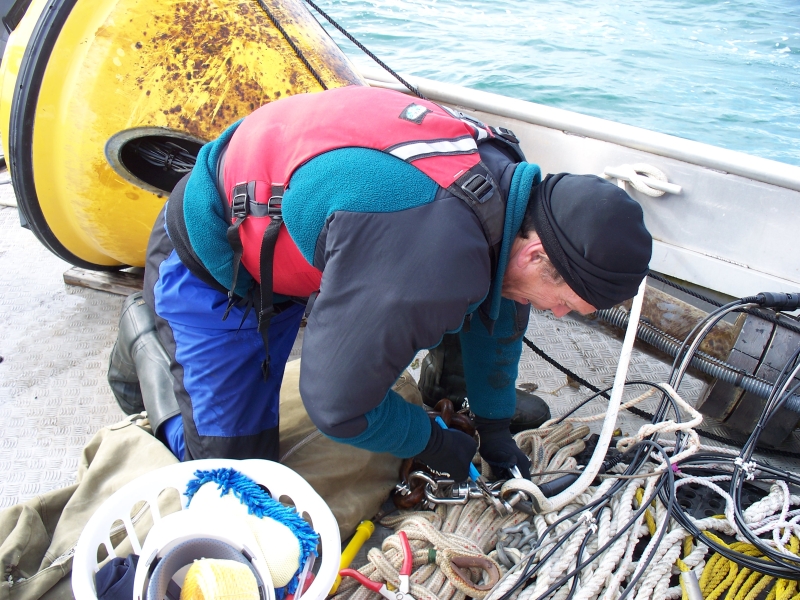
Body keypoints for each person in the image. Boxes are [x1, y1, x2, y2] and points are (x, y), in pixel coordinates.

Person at [112, 85, 652, 483]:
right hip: (216, 267)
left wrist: (494, 427)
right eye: (565, 304)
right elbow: (337, 408)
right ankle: (147, 337)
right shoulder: (426, 259)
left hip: (301, 240)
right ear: (537, 253)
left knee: (479, 293)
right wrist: (436, 443)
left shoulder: (512, 194)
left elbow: (500, 316)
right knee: (233, 476)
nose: (559, 316)